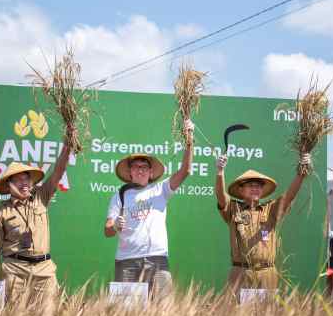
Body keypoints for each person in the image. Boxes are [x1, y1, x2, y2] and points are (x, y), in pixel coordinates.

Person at [104, 119, 195, 299]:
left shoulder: (160, 189)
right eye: (136, 167)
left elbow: (185, 170)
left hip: (158, 260)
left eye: (144, 167)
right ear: (130, 172)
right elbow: (107, 230)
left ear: (151, 173)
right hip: (126, 262)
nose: (140, 170)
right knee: (125, 315)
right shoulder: (119, 195)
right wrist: (114, 226)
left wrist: (189, 138)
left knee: (162, 314)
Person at [0, 136, 73, 300]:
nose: (24, 183)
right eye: (18, 179)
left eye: (26, 178)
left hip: (44, 270)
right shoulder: (0, 212)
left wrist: (67, 145)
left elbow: (58, 172)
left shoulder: (42, 196)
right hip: (14, 272)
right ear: (9, 184)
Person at [214, 153, 311, 293]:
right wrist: (220, 172)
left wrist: (301, 173)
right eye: (250, 185)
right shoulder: (233, 208)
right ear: (240, 190)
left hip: (268, 273)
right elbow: (220, 196)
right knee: (239, 314)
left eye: (259, 186)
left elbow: (289, 196)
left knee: (268, 315)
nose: (255, 188)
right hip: (241, 273)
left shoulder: (270, 209)